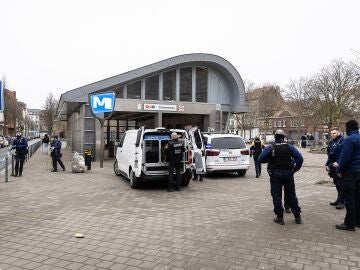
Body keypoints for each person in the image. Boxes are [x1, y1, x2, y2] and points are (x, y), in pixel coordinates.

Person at [258, 129, 303, 225]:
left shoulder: (270, 147)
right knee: (291, 195)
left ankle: (280, 217)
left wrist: (269, 159)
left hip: (275, 174)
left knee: (276, 195)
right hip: (288, 174)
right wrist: (295, 169)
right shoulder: (289, 147)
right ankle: (297, 217)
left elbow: (260, 159)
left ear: (275, 137)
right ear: (284, 137)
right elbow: (300, 159)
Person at [333, 120, 360, 231]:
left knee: (349, 198)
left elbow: (345, 157)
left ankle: (349, 224)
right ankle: (358, 221)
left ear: (348, 128)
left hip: (350, 172)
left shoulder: (349, 140)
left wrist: (339, 170)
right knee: (358, 197)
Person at [325, 127, 344, 209]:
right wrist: (327, 164)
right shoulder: (331, 142)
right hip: (332, 166)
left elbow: (344, 154)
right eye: (331, 133)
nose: (332, 135)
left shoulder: (343, 141)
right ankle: (338, 199)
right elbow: (330, 154)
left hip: (339, 167)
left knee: (341, 184)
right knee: (336, 184)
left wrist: (339, 162)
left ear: (338, 133)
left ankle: (342, 202)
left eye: (334, 133)